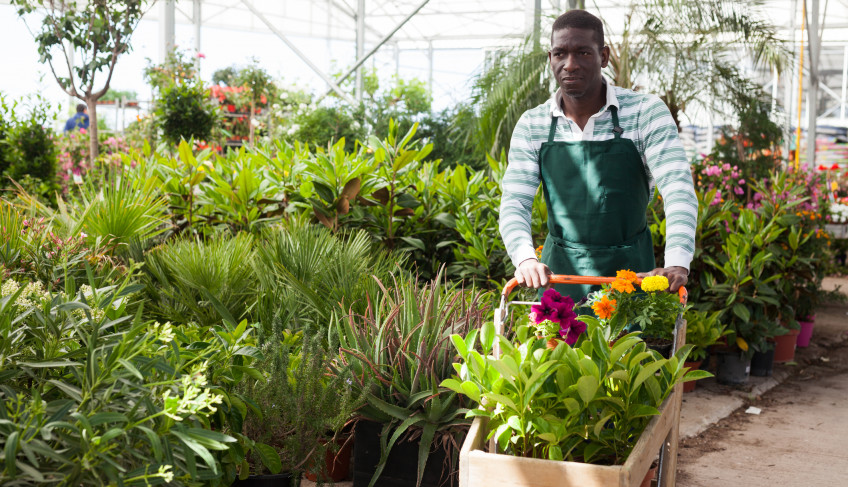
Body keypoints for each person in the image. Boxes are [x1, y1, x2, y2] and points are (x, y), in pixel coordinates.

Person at [499, 9, 697, 302]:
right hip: (559, 277)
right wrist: (525, 259)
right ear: (549, 58)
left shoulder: (645, 113)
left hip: (632, 278)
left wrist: (677, 261)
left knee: (631, 347)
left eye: (583, 53)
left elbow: (678, 189)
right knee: (556, 347)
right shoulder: (533, 124)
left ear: (603, 56)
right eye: (560, 54)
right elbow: (515, 201)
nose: (570, 65)